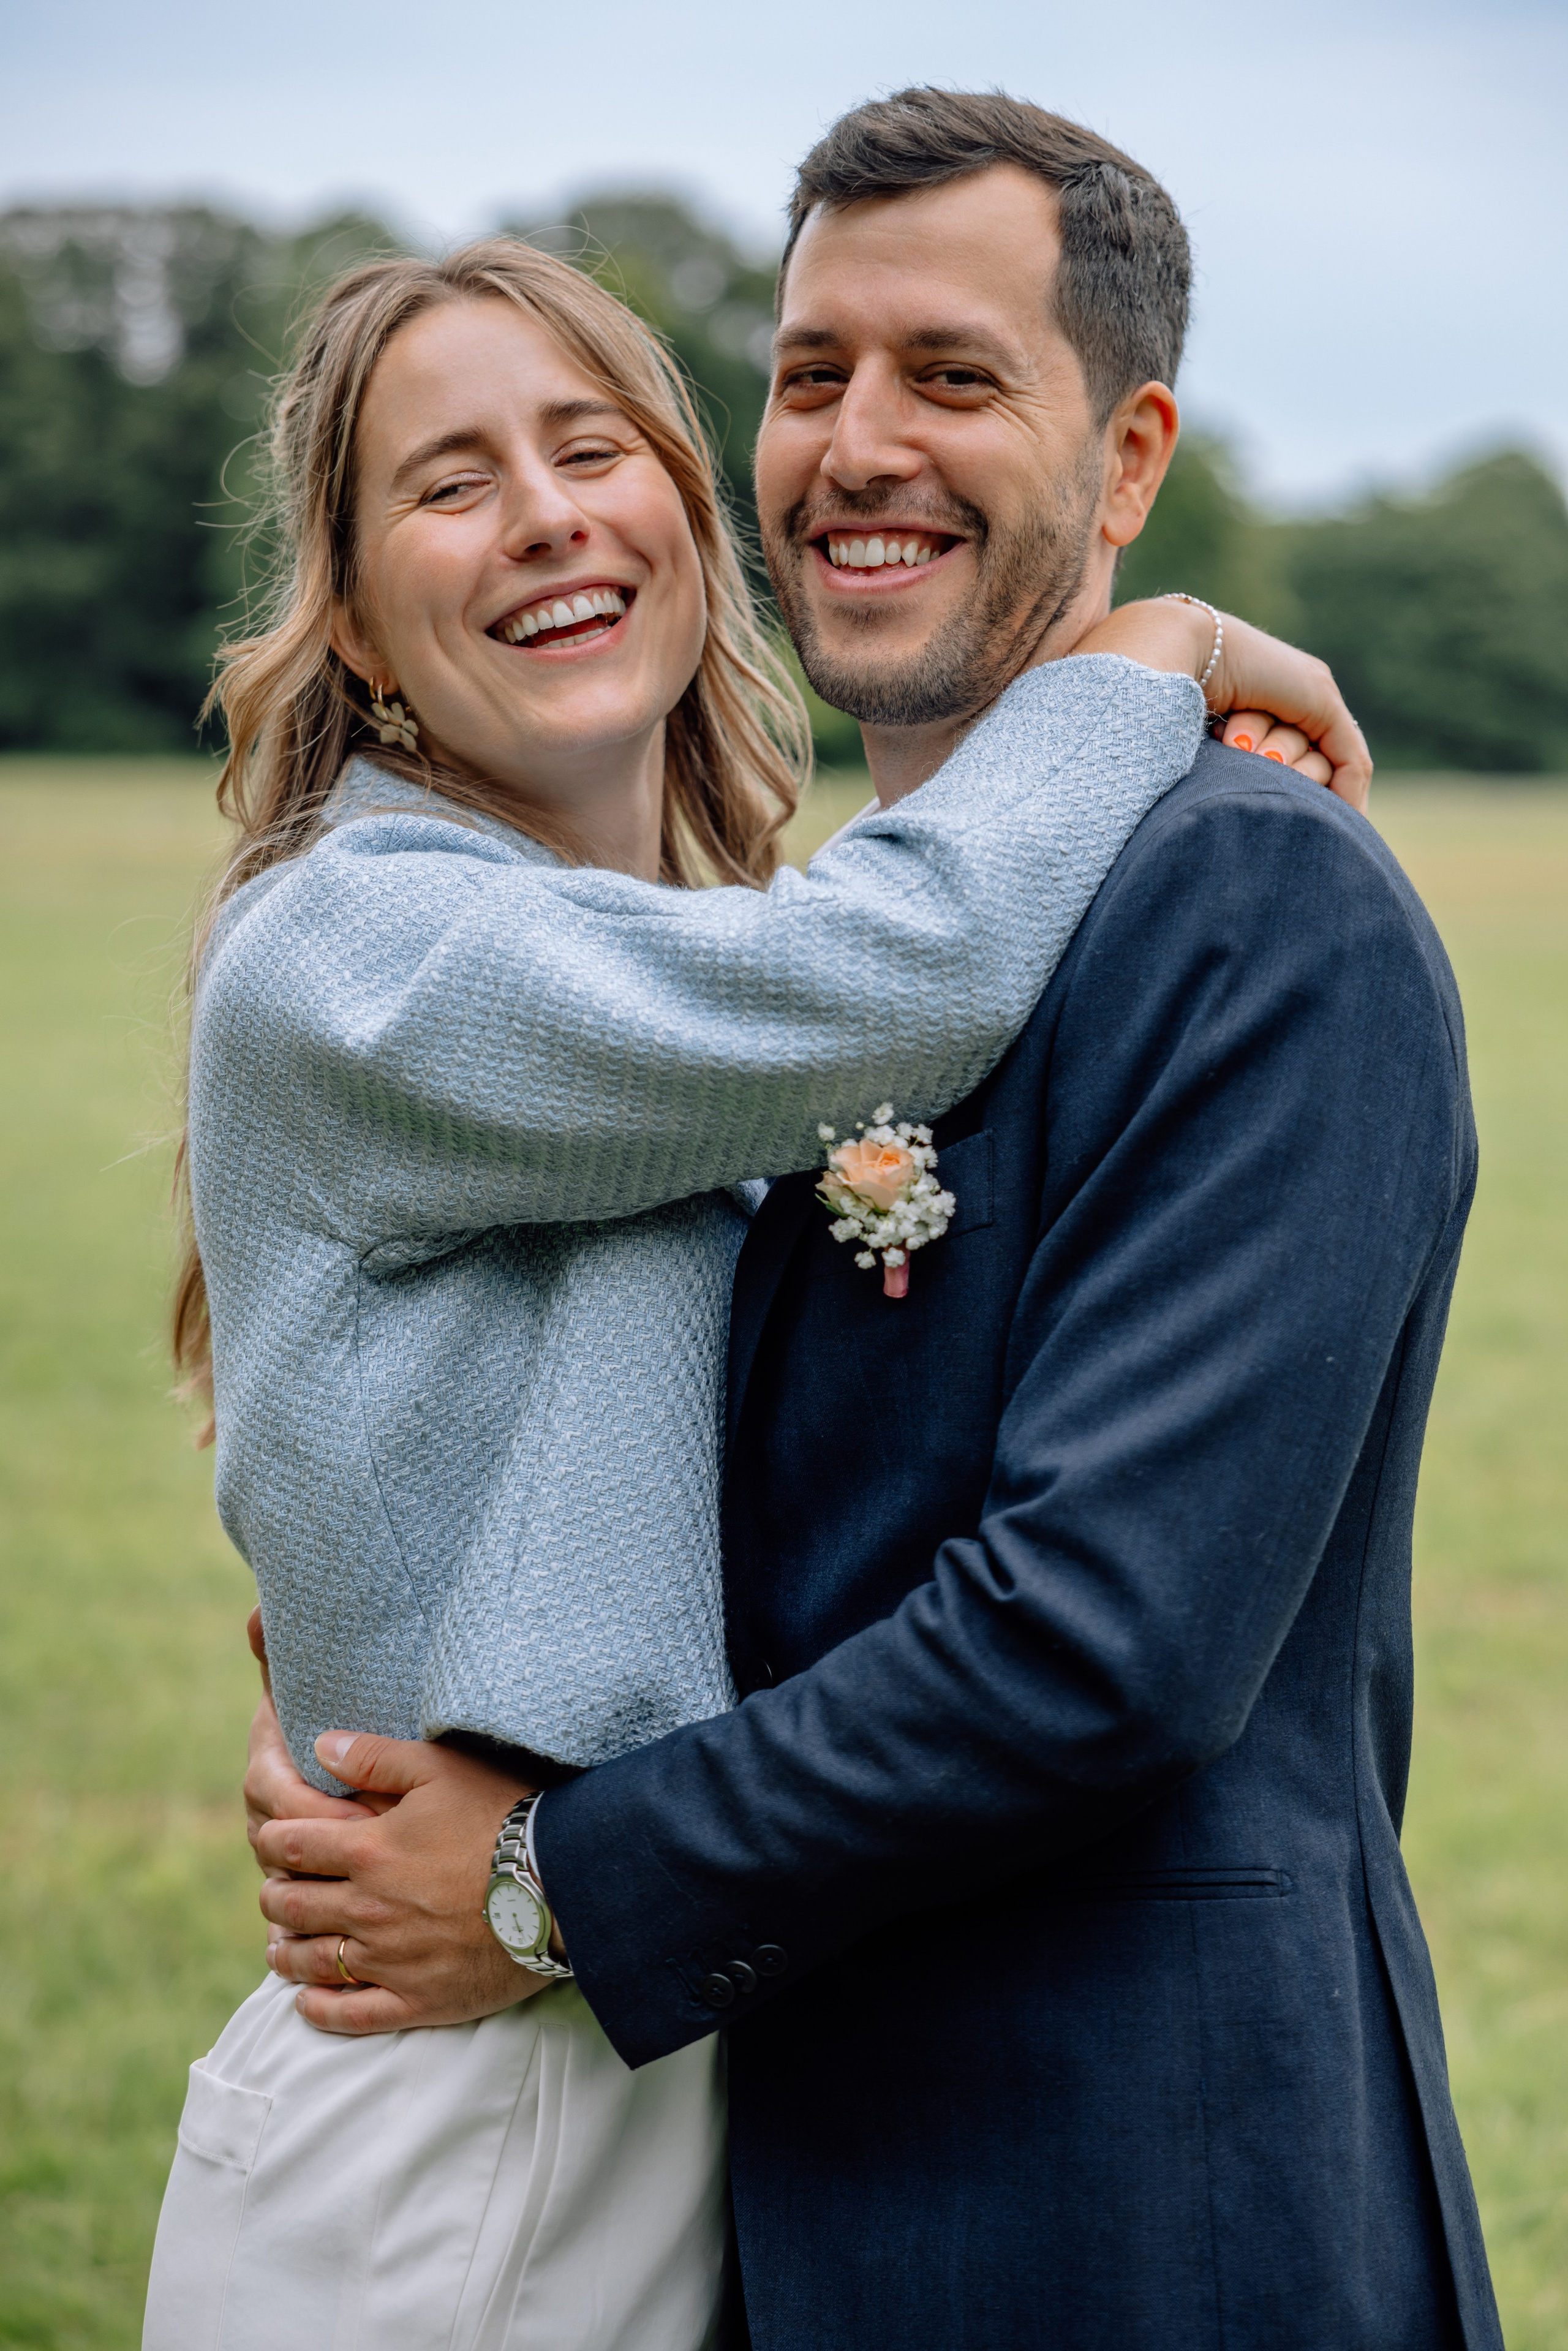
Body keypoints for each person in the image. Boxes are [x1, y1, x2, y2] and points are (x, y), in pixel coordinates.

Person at [143, 209, 1351, 2351]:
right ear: (357, 626)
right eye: (448, 483)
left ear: (689, 523)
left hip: (660, 2043)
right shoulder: (357, 946)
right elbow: (910, 968)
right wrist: (1149, 659)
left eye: (591, 446)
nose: (544, 517)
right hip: (467, 2117)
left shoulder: (667, 954)